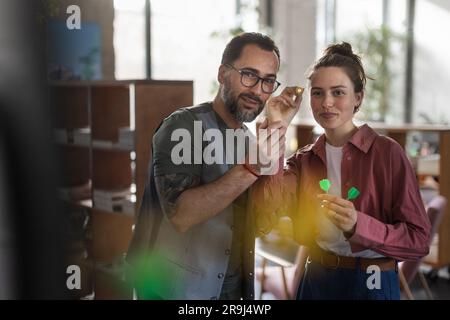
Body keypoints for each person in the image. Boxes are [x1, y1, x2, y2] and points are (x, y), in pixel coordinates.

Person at [126, 32, 301, 300]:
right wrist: (252, 168)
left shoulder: (251, 142)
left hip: (231, 292)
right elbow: (181, 216)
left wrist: (278, 128)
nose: (257, 90)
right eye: (249, 75)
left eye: (268, 81)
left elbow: (263, 223)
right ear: (222, 74)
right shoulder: (182, 126)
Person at [254, 42, 431, 300]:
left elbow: (418, 241)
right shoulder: (304, 160)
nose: (326, 103)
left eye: (338, 92)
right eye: (317, 93)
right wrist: (276, 127)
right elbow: (266, 207)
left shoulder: (387, 153)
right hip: (316, 278)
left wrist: (359, 224)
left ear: (357, 98)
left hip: (372, 280)